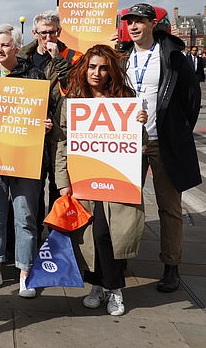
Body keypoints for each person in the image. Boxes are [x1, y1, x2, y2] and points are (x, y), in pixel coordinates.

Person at [55, 44, 148, 316]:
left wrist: (140, 123)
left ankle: (115, 290)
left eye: (103, 67)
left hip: (116, 178)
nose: (97, 73)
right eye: (92, 66)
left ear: (112, 71)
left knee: (111, 235)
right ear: (84, 69)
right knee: (90, 236)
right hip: (84, 178)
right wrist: (63, 181)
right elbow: (61, 144)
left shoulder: (125, 99)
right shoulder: (72, 101)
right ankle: (96, 286)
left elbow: (139, 144)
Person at [119, 3, 201, 292]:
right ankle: (121, 259)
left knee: (169, 207)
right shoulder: (123, 57)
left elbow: (192, 98)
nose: (133, 26)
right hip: (129, 142)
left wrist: (176, 130)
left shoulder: (172, 57)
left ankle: (171, 266)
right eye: (129, 22)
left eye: (139, 21)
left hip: (160, 141)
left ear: (153, 23)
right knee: (126, 203)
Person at [0, 24, 52, 298]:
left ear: (17, 46)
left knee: (26, 217)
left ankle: (26, 274)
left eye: (5, 45)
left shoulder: (35, 76)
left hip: (25, 158)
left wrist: (46, 123)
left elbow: (48, 111)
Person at [18, 10, 81, 243]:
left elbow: (75, 90)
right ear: (34, 33)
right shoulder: (22, 57)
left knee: (59, 189)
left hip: (59, 135)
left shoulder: (73, 57)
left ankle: (58, 241)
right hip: (30, 135)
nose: (48, 37)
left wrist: (58, 61)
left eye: (52, 32)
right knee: (31, 192)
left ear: (59, 32)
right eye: (43, 33)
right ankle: (32, 243)